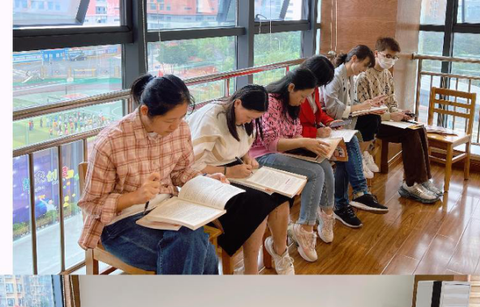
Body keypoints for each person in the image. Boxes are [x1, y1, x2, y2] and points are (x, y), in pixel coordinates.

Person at [78, 74, 219, 274]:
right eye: (170, 120)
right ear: (145, 111)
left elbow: (181, 172)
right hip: (121, 224)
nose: (176, 126)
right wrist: (134, 197)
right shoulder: (111, 141)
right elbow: (91, 204)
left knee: (191, 244)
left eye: (181, 117)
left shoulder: (180, 130)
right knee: (201, 252)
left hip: (168, 211)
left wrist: (207, 182)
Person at [188, 85, 294, 275]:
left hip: (231, 168)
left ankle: (280, 251)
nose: (249, 121)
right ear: (237, 103)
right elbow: (192, 166)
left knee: (280, 196)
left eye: (254, 118)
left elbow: (241, 146)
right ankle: (250, 270)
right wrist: (229, 171)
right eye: (248, 116)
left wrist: (247, 158)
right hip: (205, 177)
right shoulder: (210, 119)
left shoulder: (244, 119)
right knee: (258, 204)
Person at [250, 68, 335, 263]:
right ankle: (305, 228)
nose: (303, 101)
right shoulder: (270, 102)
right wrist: (304, 142)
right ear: (291, 87)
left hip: (281, 153)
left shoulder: (292, 104)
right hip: (261, 156)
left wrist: (307, 143)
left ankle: (327, 214)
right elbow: (271, 143)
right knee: (315, 172)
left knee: (324, 164)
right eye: (302, 96)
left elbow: (295, 131)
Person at [300, 56, 387, 229]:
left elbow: (319, 115)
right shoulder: (298, 91)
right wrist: (316, 131)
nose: (319, 87)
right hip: (305, 138)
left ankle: (354, 196)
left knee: (349, 141)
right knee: (347, 147)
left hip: (318, 131)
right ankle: (355, 195)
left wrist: (330, 122)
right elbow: (293, 127)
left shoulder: (314, 89)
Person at [355, 37, 441, 204]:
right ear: (376, 54)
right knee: (410, 134)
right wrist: (390, 116)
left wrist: (400, 113)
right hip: (371, 123)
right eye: (387, 56)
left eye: (394, 57)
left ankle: (423, 180)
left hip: (388, 119)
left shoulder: (387, 74)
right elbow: (364, 112)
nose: (390, 60)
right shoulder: (363, 76)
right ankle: (410, 184)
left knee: (419, 128)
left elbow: (392, 103)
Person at [320, 45, 387, 183]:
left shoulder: (349, 76)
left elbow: (350, 102)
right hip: (334, 119)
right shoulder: (336, 76)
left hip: (346, 115)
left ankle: (361, 155)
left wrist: (369, 104)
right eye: (364, 65)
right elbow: (331, 108)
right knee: (370, 121)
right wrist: (359, 107)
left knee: (375, 118)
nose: (364, 70)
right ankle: (358, 159)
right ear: (354, 59)